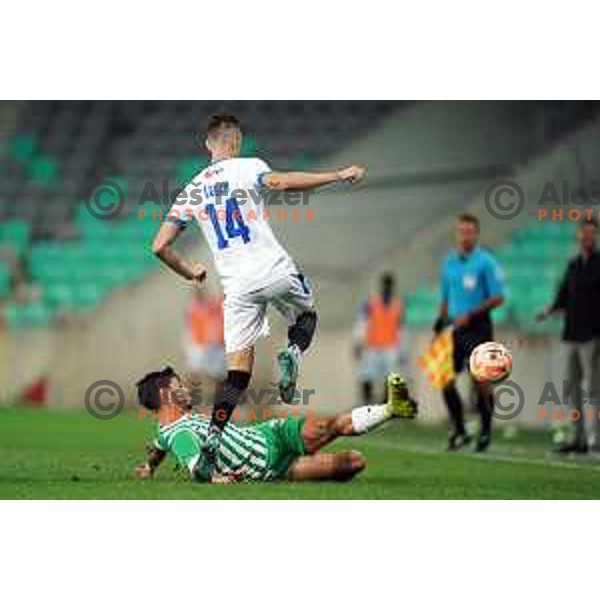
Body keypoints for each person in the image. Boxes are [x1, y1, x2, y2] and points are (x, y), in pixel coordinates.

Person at [152, 113, 365, 481]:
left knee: (235, 377)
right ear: (237, 141)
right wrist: (336, 175)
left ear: (208, 143)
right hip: (274, 271)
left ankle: (213, 440)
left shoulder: (192, 189)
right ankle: (293, 352)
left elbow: (159, 246)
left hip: (236, 289)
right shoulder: (249, 166)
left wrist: (191, 272)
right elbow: (282, 182)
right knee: (307, 316)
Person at [133, 367, 417, 483]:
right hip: (270, 468)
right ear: (165, 395)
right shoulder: (180, 433)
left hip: (270, 436)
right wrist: (214, 479)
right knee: (353, 463)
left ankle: (392, 408)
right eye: (179, 386)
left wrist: (150, 467)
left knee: (325, 428)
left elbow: (158, 447)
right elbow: (196, 466)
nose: (186, 390)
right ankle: (391, 409)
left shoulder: (167, 429)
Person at [434, 213, 505, 452]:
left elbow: (498, 297)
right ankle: (460, 429)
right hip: (453, 329)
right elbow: (445, 297)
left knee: (482, 382)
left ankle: (484, 432)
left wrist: (471, 315)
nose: (465, 236)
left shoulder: (486, 262)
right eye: (461, 231)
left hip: (478, 328)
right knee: (445, 379)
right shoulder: (448, 263)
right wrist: (440, 323)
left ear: (476, 234)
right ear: (457, 234)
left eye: (469, 232)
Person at [537, 218, 600, 453]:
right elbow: (563, 296)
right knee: (571, 388)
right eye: (583, 233)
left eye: (591, 233)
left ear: (596, 236)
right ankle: (579, 438)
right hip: (571, 333)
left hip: (593, 335)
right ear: (578, 236)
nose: (586, 237)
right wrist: (549, 310)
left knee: (594, 389)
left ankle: (596, 439)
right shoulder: (573, 265)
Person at [353, 273, 404, 404]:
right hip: (373, 346)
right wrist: (358, 342)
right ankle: (366, 404)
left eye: (389, 285)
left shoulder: (397, 305)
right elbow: (362, 323)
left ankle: (385, 407)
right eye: (386, 285)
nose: (387, 288)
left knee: (390, 378)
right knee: (366, 376)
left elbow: (399, 328)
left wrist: (400, 350)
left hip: (390, 347)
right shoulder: (371, 303)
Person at [184, 288, 225, 382]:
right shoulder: (193, 308)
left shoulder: (214, 305)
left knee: (215, 374)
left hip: (215, 345)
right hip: (199, 345)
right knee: (195, 372)